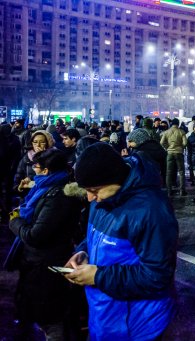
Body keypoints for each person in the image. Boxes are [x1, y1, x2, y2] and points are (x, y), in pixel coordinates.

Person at [64, 143, 178, 340]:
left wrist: (98, 276)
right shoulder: (104, 197)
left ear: (115, 179)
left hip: (137, 325)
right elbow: (99, 237)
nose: (90, 198)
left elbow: (157, 276)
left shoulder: (151, 211)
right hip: (106, 317)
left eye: (94, 190)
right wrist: (84, 252)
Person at [9, 149, 82, 339]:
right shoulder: (44, 188)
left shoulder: (57, 196)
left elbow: (35, 235)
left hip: (47, 263)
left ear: (46, 170)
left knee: (50, 316)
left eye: (37, 167)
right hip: (37, 260)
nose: (33, 170)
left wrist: (15, 221)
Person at [161, 118, 188, 197]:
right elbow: (185, 143)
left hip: (169, 153)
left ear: (172, 123)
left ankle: (169, 191)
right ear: (178, 124)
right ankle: (182, 191)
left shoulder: (166, 132)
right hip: (179, 153)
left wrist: (167, 148)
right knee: (181, 172)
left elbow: (162, 142)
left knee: (168, 173)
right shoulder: (181, 132)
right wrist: (181, 147)